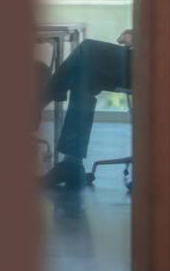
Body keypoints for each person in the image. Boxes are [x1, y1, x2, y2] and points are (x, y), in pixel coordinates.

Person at [39, 30, 132, 189]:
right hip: (140, 59)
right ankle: (72, 164)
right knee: (84, 75)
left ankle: (40, 100)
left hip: (153, 63)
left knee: (87, 49)